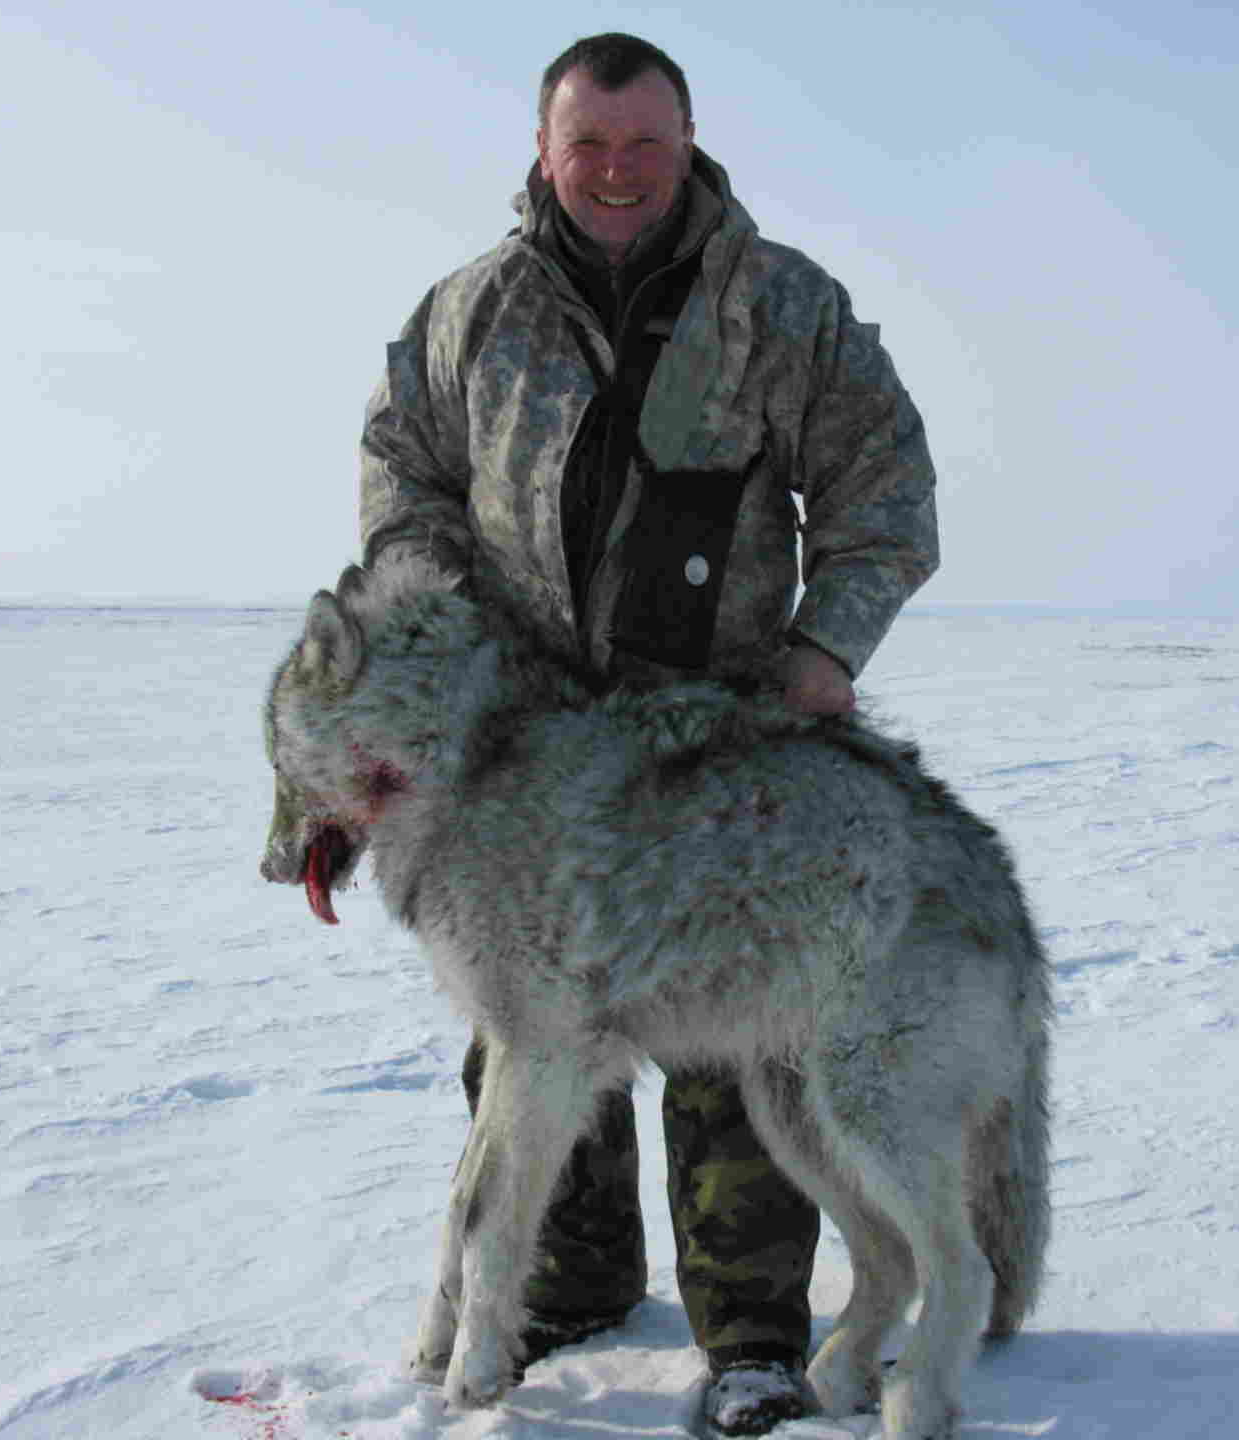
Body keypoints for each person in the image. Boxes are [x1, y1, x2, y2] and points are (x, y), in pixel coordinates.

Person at [357, 32, 940, 1435]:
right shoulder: (466, 316)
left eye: (645, 144)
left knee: (744, 1034)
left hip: (719, 753)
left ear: (687, 143)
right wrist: (445, 641)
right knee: (530, 1026)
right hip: (527, 758)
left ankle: (752, 1331)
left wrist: (821, 652)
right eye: (590, 145)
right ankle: (564, 1289)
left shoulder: (783, 305)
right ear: (546, 152)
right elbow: (403, 486)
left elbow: (886, 488)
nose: (617, 172)